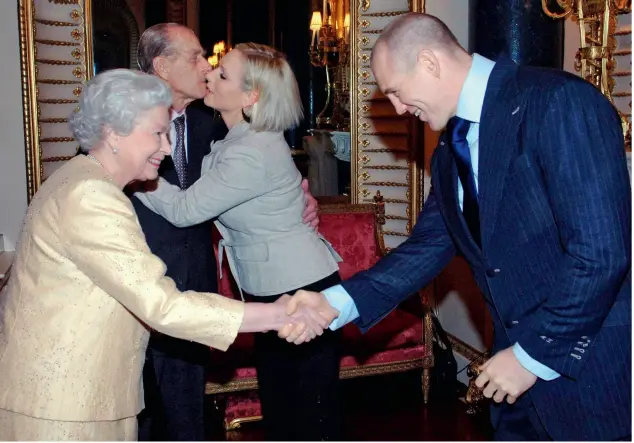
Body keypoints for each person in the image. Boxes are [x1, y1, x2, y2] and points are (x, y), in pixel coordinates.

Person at [284, 12, 632, 441]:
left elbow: (602, 253)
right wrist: (337, 302)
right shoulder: (449, 152)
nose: (396, 108)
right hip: (513, 377)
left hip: (588, 368)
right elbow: (428, 246)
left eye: (395, 91)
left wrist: (531, 357)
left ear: (429, 63)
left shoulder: (558, 101)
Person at [0, 69, 327, 441]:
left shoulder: (78, 177)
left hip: (68, 395)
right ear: (113, 133)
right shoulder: (91, 195)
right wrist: (277, 312)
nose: (168, 148)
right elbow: (163, 306)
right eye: (157, 133)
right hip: (66, 407)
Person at [135, 42, 344, 441]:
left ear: (251, 96)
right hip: (272, 289)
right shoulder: (235, 138)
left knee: (306, 417)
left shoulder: (251, 150)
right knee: (285, 411)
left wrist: (129, 170)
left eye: (222, 74)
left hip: (297, 288)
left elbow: (183, 210)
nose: (209, 75)